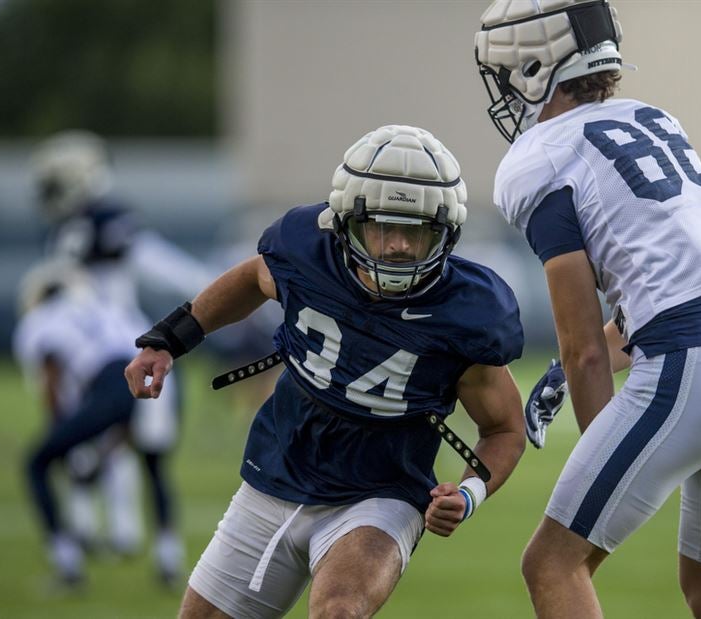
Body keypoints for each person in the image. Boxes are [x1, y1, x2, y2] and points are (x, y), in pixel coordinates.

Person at [124, 125, 527, 618]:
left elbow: (505, 427)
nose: (399, 246)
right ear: (345, 223)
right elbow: (253, 277)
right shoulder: (304, 252)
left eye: (418, 230)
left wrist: (468, 492)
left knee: (339, 612)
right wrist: (169, 339)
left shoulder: (468, 311)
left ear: (447, 233)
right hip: (276, 472)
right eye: (382, 226)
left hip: (380, 494)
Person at [474, 2, 701, 617]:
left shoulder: (541, 157)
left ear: (538, 66)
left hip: (688, 379)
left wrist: (604, 456)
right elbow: (677, 298)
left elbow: (584, 346)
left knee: (551, 563)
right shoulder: (654, 119)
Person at [31, 130, 210, 556]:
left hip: (103, 348)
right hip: (109, 343)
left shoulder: (93, 225)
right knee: (124, 445)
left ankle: (105, 532)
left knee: (101, 441)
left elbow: (147, 257)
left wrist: (210, 288)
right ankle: (107, 532)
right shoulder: (78, 228)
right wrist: (207, 284)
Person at [13, 259, 183, 586]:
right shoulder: (104, 307)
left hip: (113, 380)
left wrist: (62, 438)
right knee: (154, 466)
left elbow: (53, 385)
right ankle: (169, 560)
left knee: (37, 462)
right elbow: (127, 410)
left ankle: (67, 564)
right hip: (161, 374)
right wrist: (103, 454)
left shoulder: (39, 322)